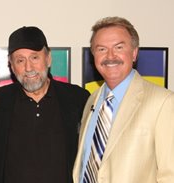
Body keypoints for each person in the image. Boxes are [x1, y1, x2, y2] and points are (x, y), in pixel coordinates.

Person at [73, 16, 174, 183]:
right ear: (93, 56)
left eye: (119, 47)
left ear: (134, 53)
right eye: (101, 49)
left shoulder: (163, 102)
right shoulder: (91, 100)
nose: (110, 56)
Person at [0, 26, 90, 183]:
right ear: (11, 65)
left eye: (35, 58)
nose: (28, 68)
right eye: (20, 60)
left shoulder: (78, 99)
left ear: (48, 58)